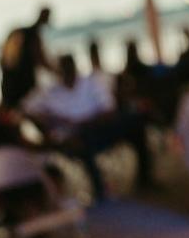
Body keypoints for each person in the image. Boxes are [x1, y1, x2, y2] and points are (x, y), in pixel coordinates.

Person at [22, 54, 152, 200]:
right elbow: (25, 110)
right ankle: (100, 190)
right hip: (71, 138)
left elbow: (109, 110)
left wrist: (82, 123)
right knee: (80, 142)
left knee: (134, 122)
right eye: (64, 69)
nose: (67, 72)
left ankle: (144, 178)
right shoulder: (50, 92)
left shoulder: (90, 83)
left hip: (96, 129)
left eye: (69, 68)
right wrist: (52, 121)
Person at [0, 7, 54, 110]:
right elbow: (42, 62)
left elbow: (3, 61)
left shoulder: (18, 33)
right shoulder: (32, 36)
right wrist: (61, 72)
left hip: (9, 88)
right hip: (22, 90)